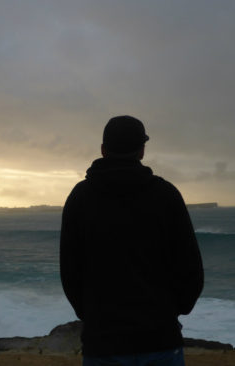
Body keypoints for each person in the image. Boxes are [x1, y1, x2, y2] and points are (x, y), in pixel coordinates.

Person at [60, 115, 204, 366]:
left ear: (103, 150)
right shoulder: (166, 194)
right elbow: (191, 268)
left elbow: (70, 272)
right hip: (160, 338)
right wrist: (172, 312)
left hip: (102, 341)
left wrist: (92, 316)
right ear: (142, 150)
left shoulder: (80, 197)